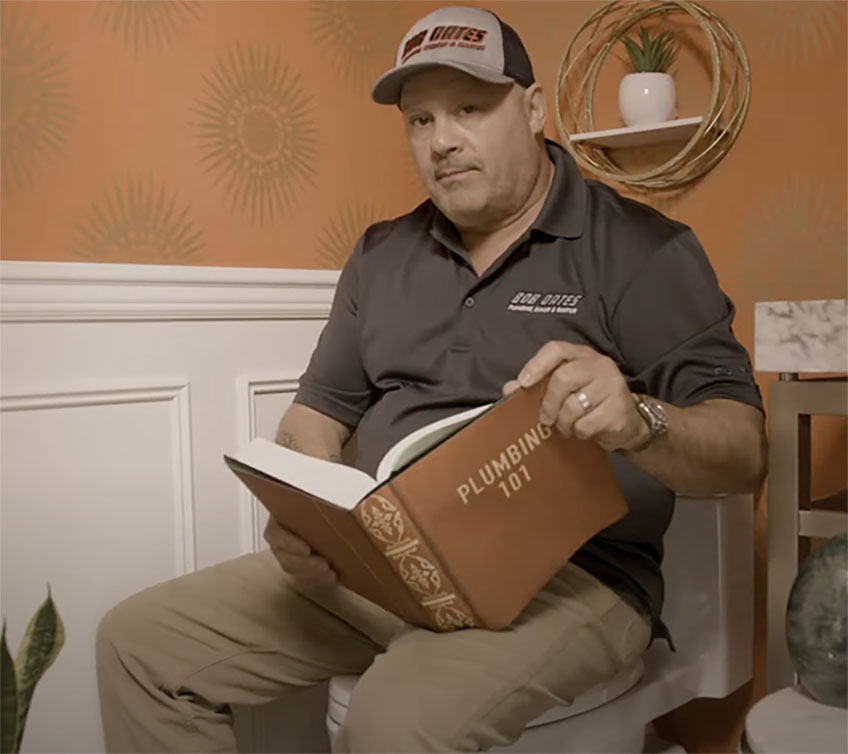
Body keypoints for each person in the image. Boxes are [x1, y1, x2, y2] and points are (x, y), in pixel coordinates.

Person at [96, 6, 767, 752]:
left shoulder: (641, 251)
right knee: (137, 645)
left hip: (572, 585)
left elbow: (743, 447)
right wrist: (304, 518)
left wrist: (639, 419)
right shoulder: (381, 258)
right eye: (419, 121)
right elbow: (313, 421)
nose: (441, 140)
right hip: (384, 572)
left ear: (536, 108)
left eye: (469, 109)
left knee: (395, 717)